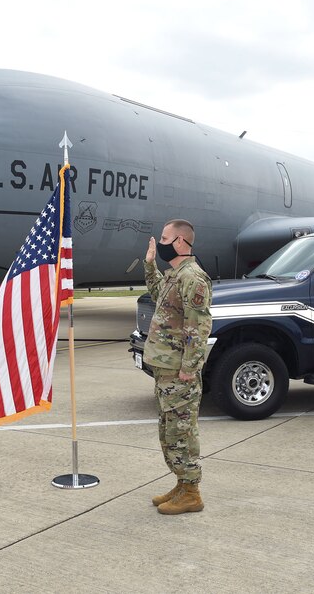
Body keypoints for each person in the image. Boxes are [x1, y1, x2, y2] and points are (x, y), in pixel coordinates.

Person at [143, 219, 213, 515]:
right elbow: (159, 295)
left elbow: (199, 326)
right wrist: (149, 265)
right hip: (166, 368)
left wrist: (189, 367)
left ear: (181, 242)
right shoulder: (175, 274)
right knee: (169, 429)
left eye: (164, 237)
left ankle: (192, 492)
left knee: (181, 431)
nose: (160, 243)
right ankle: (182, 484)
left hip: (178, 371)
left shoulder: (193, 277)